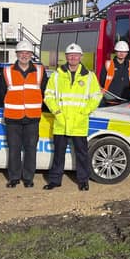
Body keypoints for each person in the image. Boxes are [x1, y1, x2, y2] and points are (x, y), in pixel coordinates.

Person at [43, 43, 103, 191]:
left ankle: (83, 181)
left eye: (76, 55)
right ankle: (55, 180)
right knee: (58, 154)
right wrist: (56, 112)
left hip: (79, 122)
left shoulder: (89, 76)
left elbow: (96, 96)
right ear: (66, 57)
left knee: (82, 155)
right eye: (70, 55)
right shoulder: (57, 75)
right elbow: (48, 96)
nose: (73, 58)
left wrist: (86, 111)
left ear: (81, 57)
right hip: (61, 122)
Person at [1, 40, 48, 188]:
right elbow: (0, 92)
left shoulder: (40, 70)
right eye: (21, 52)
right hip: (13, 118)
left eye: (27, 53)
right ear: (16, 54)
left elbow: (45, 91)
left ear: (31, 55)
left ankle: (28, 178)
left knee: (31, 149)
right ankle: (14, 178)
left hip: (33, 117)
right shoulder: (7, 71)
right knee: (14, 149)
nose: (24, 55)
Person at [99, 40, 130, 105]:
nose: (121, 53)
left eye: (124, 52)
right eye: (119, 51)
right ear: (115, 51)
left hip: (128, 101)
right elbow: (102, 82)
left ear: (127, 53)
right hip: (110, 102)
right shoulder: (108, 64)